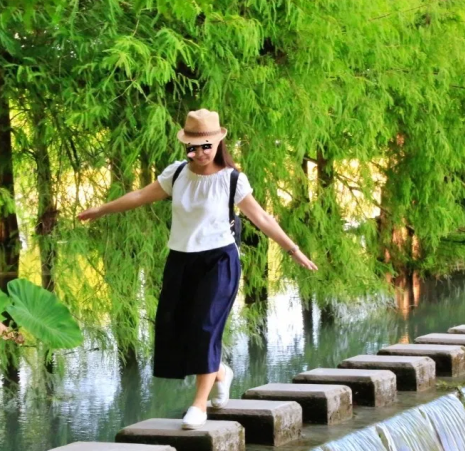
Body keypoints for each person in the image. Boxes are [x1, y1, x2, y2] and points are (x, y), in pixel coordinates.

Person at [77, 109, 318, 429]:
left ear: (218, 142)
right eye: (194, 146)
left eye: (207, 145)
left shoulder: (232, 179)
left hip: (219, 261)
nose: (201, 152)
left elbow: (262, 218)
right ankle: (220, 371)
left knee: (205, 328)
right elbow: (139, 195)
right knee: (174, 328)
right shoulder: (176, 175)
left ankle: (199, 404)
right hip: (181, 259)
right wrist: (101, 209)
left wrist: (293, 250)